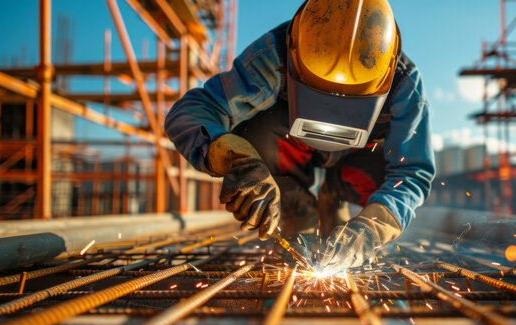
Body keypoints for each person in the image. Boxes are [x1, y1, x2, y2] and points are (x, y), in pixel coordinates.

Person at [165, 0, 435, 272]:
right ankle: (295, 206)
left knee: (395, 162)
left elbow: (411, 174)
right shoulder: (274, 55)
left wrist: (372, 228)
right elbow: (191, 112)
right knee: (251, 126)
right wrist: (237, 160)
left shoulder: (405, 85)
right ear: (294, 59)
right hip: (289, 147)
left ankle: (334, 199)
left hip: (356, 162)